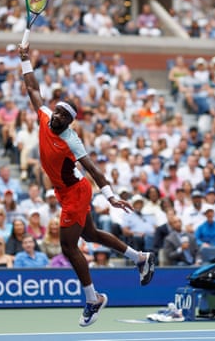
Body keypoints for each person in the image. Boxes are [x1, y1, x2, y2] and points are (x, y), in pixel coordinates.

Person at [19, 42, 155, 327]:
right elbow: (33, 89)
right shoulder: (44, 116)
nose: (57, 116)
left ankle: (93, 298)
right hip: (65, 190)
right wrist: (25, 60)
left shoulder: (71, 139)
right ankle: (139, 257)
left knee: (69, 247)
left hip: (76, 192)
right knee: (90, 234)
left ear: (70, 122)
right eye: (56, 112)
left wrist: (111, 195)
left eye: (63, 116)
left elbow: (92, 168)